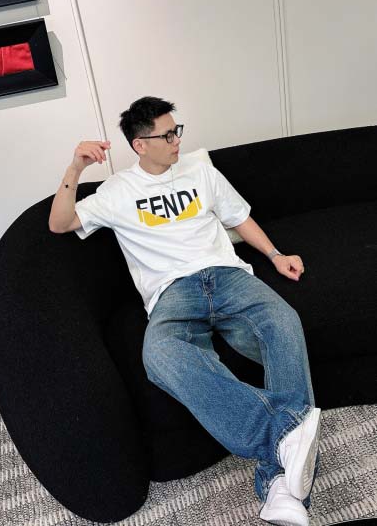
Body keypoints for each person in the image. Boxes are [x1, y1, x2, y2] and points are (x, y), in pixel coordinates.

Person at [48, 96, 321, 526]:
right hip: (172, 293)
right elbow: (59, 223)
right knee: (158, 354)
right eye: (167, 135)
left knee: (283, 322)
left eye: (177, 130)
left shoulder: (200, 170)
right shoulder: (118, 191)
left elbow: (239, 217)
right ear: (140, 145)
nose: (177, 140)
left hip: (227, 276)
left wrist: (275, 255)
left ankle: (277, 483)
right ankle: (284, 433)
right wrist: (75, 168)